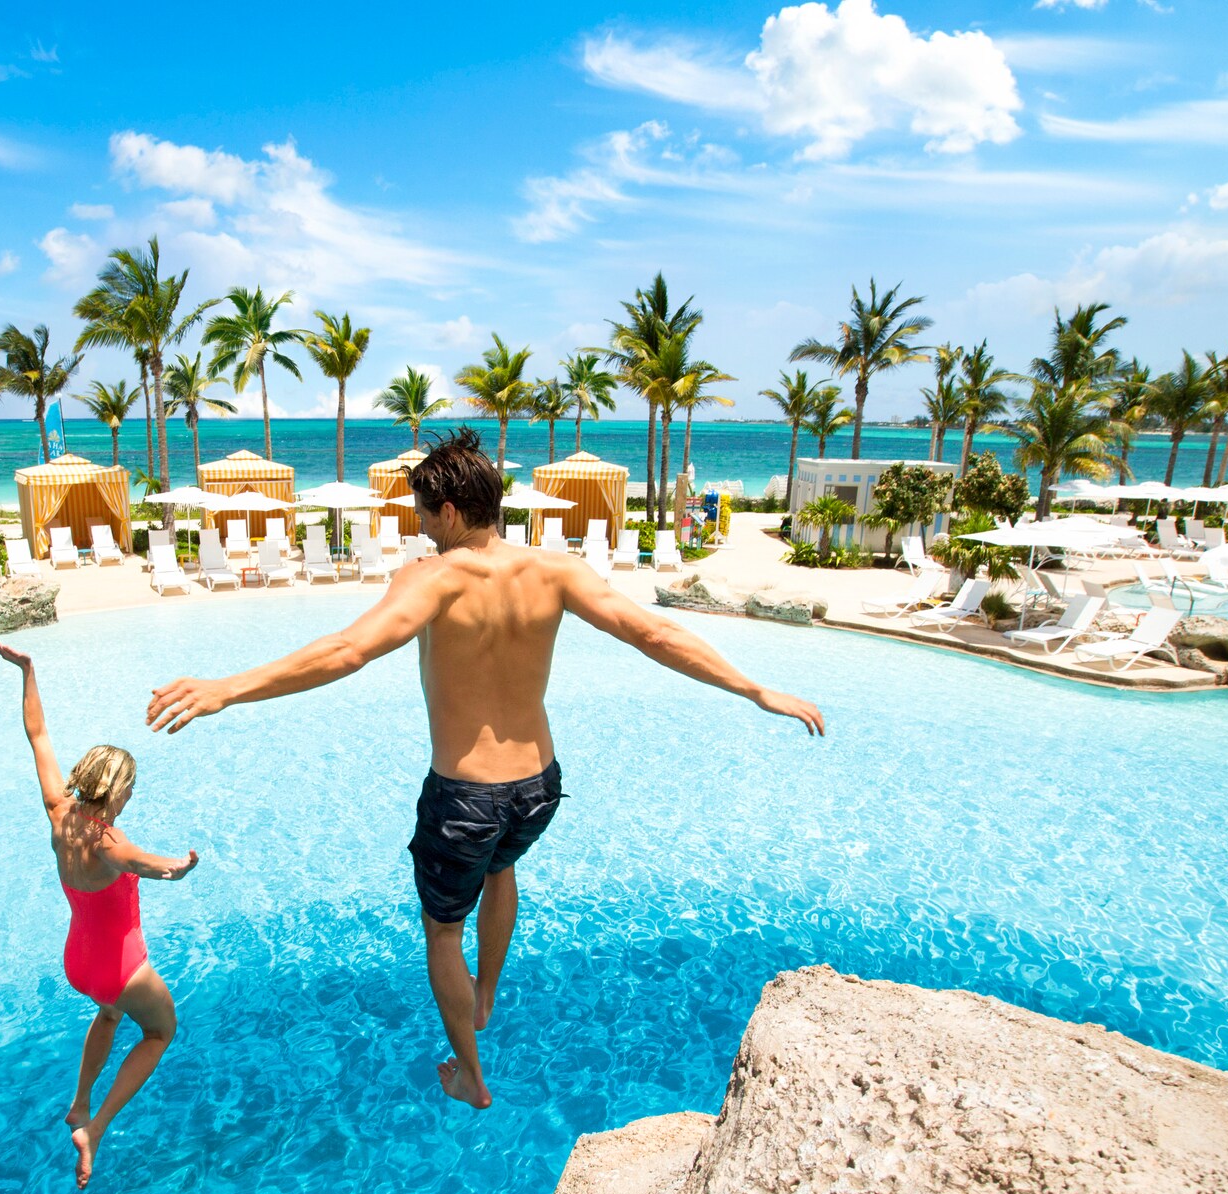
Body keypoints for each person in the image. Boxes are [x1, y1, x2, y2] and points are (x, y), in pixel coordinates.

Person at [145, 429, 823, 1110]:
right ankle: (488, 991)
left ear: (447, 511)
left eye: (420, 513)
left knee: (443, 930)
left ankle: (471, 1074)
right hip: (537, 788)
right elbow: (652, 632)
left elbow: (349, 650)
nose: (419, 527)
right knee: (502, 867)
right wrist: (754, 689)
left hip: (464, 797)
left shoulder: (432, 577)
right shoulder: (555, 571)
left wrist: (227, 688)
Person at [0, 635, 199, 1188]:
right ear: (118, 790)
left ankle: (80, 1101)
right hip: (120, 965)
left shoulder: (59, 810)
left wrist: (27, 670)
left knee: (108, 1015)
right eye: (129, 790)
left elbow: (36, 733)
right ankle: (97, 1127)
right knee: (159, 1032)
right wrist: (184, 864)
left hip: (78, 960)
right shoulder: (109, 844)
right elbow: (160, 868)